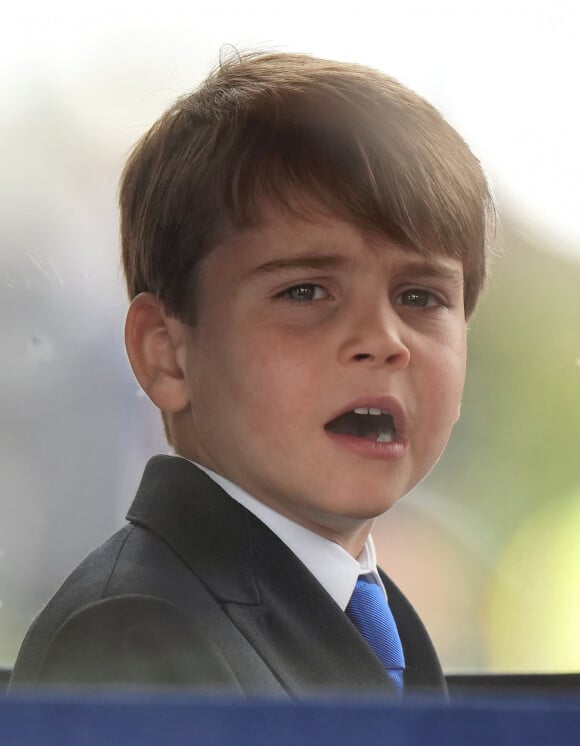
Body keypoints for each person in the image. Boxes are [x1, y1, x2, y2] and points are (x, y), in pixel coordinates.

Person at [10, 51, 494, 695]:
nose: (383, 340)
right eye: (305, 292)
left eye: (420, 298)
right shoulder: (137, 637)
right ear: (167, 353)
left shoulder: (376, 620)